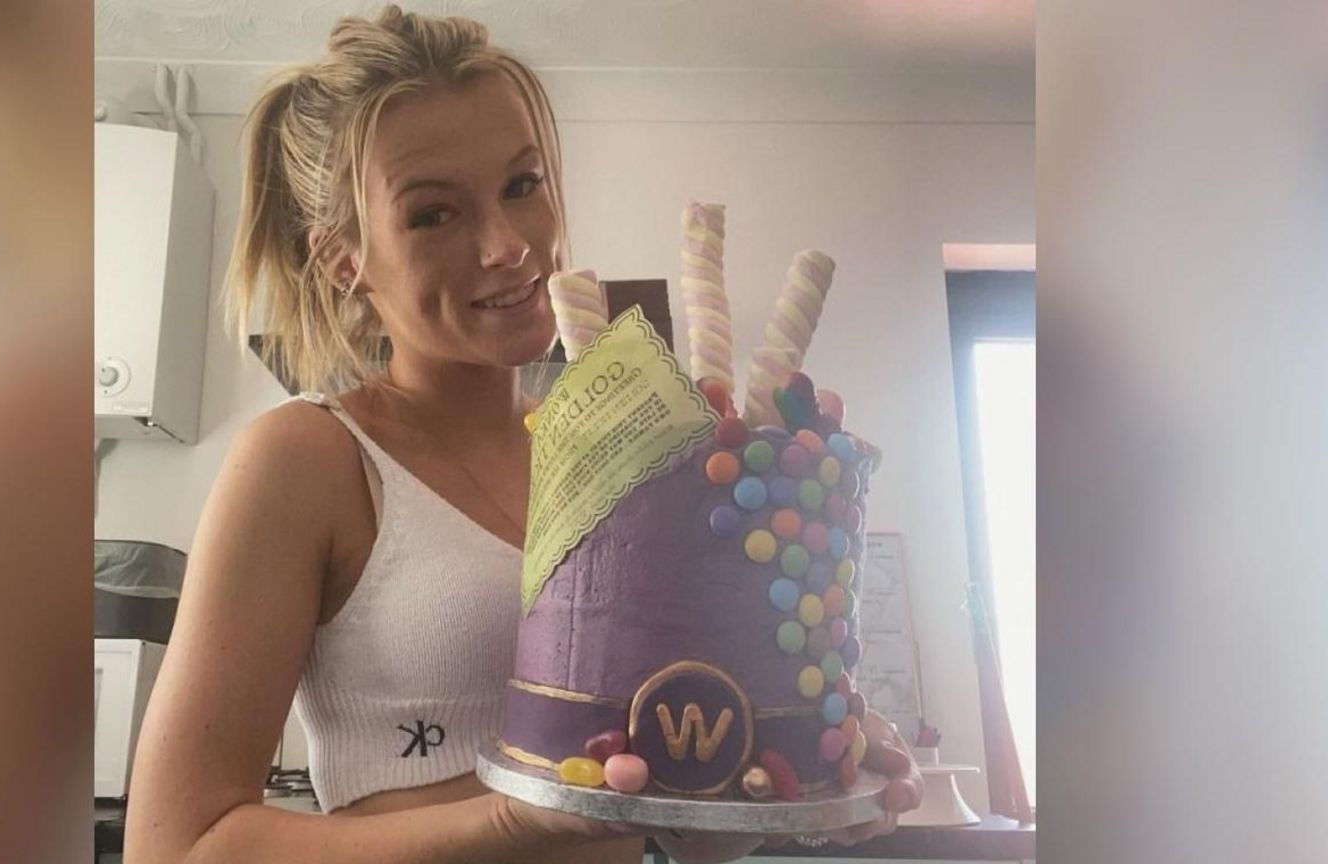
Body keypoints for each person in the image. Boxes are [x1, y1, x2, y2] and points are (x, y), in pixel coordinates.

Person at [124, 7, 920, 863]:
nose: (509, 246)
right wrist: (510, 818)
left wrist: (782, 773)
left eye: (523, 184)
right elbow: (178, 847)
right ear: (343, 260)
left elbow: (666, 811)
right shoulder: (311, 459)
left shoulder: (627, 459)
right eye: (433, 215)